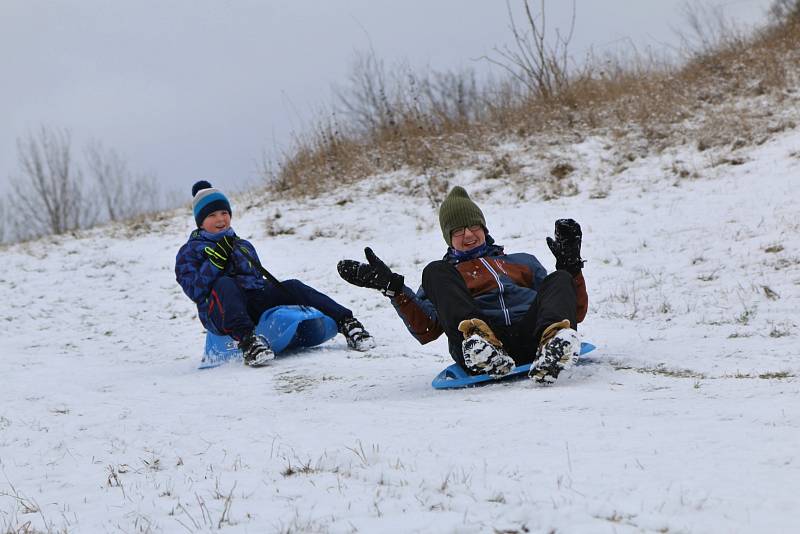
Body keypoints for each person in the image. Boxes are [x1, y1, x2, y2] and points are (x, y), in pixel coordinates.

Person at [337, 186, 588, 384]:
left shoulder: (522, 262)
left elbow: (571, 310)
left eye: (473, 226)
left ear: (483, 227)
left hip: (533, 336)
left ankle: (555, 343)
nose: (468, 235)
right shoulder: (447, 277)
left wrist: (571, 268)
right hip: (479, 348)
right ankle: (481, 345)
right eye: (458, 231)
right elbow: (428, 329)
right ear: (449, 237)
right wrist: (393, 289)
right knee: (434, 269)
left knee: (560, 277)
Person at [176, 180, 375, 367]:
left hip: (251, 304)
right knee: (225, 284)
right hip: (219, 314)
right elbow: (195, 291)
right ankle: (248, 342)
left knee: (292, 286)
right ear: (200, 221)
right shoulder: (190, 251)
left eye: (223, 212)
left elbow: (254, 281)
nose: (220, 219)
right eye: (211, 215)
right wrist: (215, 263)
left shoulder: (242, 245)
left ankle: (347, 323)